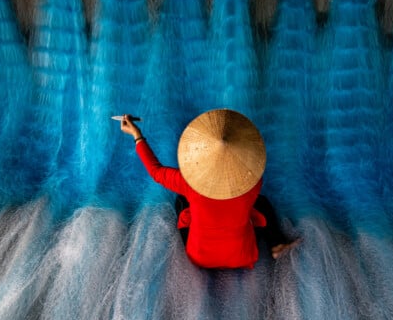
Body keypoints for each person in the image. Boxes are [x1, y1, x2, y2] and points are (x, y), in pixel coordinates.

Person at [119, 109, 299, 269]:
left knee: (181, 200)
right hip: (242, 256)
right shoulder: (253, 183)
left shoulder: (187, 182)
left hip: (199, 257)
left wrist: (137, 134)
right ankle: (276, 244)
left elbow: (156, 171)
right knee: (262, 202)